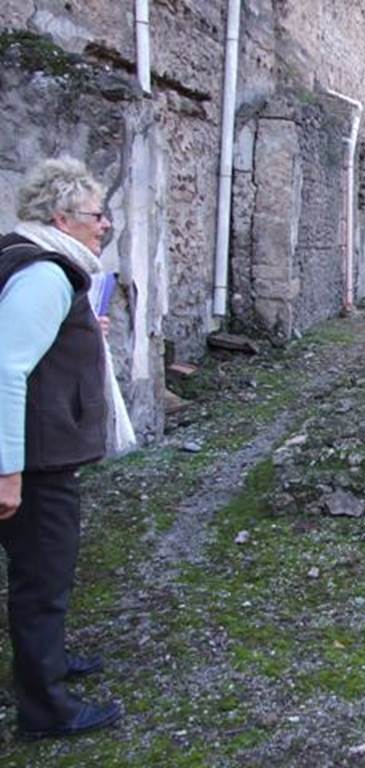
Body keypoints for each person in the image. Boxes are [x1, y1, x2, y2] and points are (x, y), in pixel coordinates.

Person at [0, 157, 125, 738]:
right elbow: (6, 369)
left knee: (42, 572)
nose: (105, 225)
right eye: (96, 215)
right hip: (37, 458)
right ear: (61, 217)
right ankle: (45, 709)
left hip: (39, 452)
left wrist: (79, 327)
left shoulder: (31, 261)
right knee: (43, 578)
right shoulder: (46, 273)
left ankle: (47, 663)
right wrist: (8, 470)